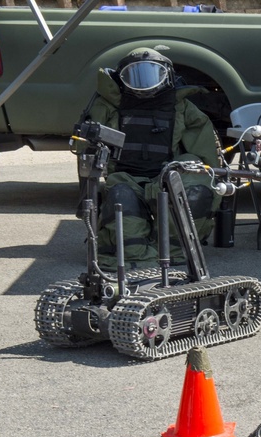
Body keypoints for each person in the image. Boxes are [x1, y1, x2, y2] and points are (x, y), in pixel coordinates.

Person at [79, 47, 221, 270]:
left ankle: (176, 250)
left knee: (197, 188)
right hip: (124, 179)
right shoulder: (107, 106)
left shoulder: (182, 108)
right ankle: (145, 253)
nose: (143, 83)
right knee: (122, 209)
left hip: (166, 179)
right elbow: (86, 151)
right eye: (135, 75)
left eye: (151, 74)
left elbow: (206, 163)